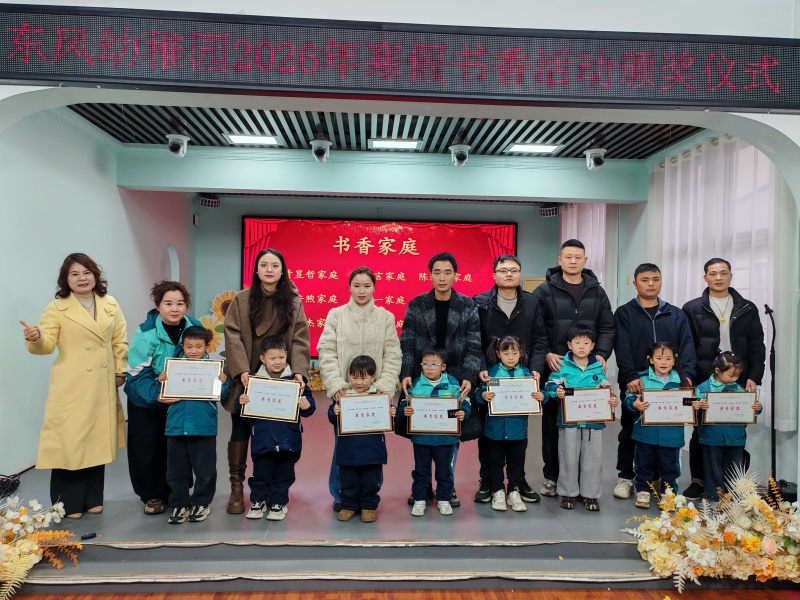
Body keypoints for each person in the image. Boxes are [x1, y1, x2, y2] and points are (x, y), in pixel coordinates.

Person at [22, 253, 128, 519]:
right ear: (66, 280)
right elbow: (46, 345)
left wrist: (120, 370)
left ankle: (93, 498)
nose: (82, 278)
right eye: (75, 274)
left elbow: (119, 340)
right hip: (71, 386)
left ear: (95, 275)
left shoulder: (110, 304)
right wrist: (36, 337)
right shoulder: (57, 308)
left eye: (86, 272)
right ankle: (67, 503)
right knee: (70, 443)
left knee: (96, 440)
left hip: (101, 385)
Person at [223, 248, 310, 514]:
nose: (269, 270)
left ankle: (274, 489)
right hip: (248, 375)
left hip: (281, 377)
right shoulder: (242, 299)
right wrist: (241, 370)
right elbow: (232, 335)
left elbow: (300, 339)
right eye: (264, 265)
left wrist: (299, 371)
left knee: (277, 432)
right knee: (240, 430)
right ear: (256, 269)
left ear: (283, 271)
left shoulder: (293, 302)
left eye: (275, 265)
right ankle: (237, 487)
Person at [532, 239, 615, 498]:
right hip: (557, 367)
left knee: (587, 427)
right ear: (559, 260)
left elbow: (607, 327)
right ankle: (552, 476)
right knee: (552, 427)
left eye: (578, 257)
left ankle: (584, 481)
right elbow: (537, 328)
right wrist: (546, 353)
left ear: (585, 260)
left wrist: (601, 353)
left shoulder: (597, 292)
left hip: (587, 370)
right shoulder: (544, 290)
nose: (573, 261)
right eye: (568, 257)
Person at [400, 252, 482, 507]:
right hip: (422, 380)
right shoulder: (417, 304)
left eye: (447, 272)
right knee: (421, 434)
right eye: (437, 272)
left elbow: (474, 345)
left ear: (455, 275)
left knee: (450, 435)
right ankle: (423, 484)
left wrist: (469, 377)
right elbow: (407, 343)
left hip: (453, 381)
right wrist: (406, 373)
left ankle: (448, 485)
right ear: (430, 275)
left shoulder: (467, 306)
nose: (442, 277)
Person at [317, 266, 401, 512]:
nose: (362, 291)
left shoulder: (385, 317)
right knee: (342, 446)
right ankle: (341, 495)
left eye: (367, 286)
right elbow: (327, 351)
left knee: (372, 448)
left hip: (375, 396)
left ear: (374, 288)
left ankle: (368, 497)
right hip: (346, 395)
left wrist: (384, 387)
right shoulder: (336, 315)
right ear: (349, 287)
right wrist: (336, 385)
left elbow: (393, 354)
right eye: (357, 286)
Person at [682, 258, 766, 500]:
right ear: (705, 277)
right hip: (705, 376)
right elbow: (687, 345)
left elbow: (757, 345)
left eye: (723, 273)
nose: (718, 277)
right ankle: (699, 480)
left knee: (735, 428)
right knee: (701, 431)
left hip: (737, 377)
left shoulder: (747, 307)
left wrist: (754, 376)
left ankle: (733, 483)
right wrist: (688, 375)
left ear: (730, 275)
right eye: (713, 273)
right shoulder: (692, 308)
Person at [613, 263, 697, 501]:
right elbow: (622, 347)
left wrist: (687, 376)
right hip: (638, 383)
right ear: (635, 283)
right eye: (645, 280)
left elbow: (687, 346)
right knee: (630, 430)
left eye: (655, 279)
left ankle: (660, 479)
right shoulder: (625, 313)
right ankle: (626, 477)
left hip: (671, 384)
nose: (651, 284)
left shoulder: (676, 314)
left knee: (666, 431)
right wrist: (630, 375)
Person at [473, 254, 547, 504]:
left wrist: (535, 368)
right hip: (490, 377)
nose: (508, 274)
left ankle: (518, 481)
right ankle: (488, 481)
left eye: (513, 270)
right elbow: (474, 340)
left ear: (519, 274)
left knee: (518, 434)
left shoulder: (532, 303)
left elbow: (540, 339)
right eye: (503, 270)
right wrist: (481, 368)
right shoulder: (480, 302)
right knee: (488, 433)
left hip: (521, 378)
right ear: (494, 275)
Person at [125, 280, 201, 516]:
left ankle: (177, 492)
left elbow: (201, 361)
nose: (174, 308)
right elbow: (137, 373)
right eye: (168, 303)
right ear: (158, 306)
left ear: (186, 305)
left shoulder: (194, 326)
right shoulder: (145, 333)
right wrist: (157, 395)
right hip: (146, 398)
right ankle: (152, 495)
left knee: (179, 447)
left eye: (180, 303)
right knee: (148, 448)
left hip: (179, 398)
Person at [155, 326, 229, 525]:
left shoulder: (214, 369)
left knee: (205, 470)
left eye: (198, 346)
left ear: (207, 346)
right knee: (176, 471)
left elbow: (222, 395)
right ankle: (179, 503)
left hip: (203, 427)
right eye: (189, 346)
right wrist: (161, 380)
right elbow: (162, 393)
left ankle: (202, 503)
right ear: (182, 346)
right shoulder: (173, 368)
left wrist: (223, 382)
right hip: (176, 427)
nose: (194, 350)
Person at [239, 336, 315, 522]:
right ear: (262, 359)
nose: (277, 362)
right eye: (272, 358)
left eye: (281, 357)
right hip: (262, 438)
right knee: (260, 472)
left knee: (284, 474)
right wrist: (241, 401)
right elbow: (243, 407)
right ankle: (258, 501)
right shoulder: (254, 381)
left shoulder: (296, 381)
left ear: (287, 355)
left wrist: (307, 406)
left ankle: (279, 503)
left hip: (288, 438)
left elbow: (309, 405)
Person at [544, 325, 617, 512]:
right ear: (569, 345)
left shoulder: (598, 368)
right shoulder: (562, 366)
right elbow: (550, 386)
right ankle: (568, 492)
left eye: (586, 343)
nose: (582, 347)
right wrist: (556, 392)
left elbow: (606, 389)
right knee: (568, 457)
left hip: (594, 423)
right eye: (577, 343)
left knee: (592, 459)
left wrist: (612, 399)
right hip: (568, 421)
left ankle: (591, 495)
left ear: (592, 346)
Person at [624, 342, 700, 509]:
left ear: (674, 361)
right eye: (659, 358)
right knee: (643, 464)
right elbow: (629, 398)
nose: (664, 362)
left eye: (668, 358)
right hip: (645, 434)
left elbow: (695, 399)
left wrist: (696, 404)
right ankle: (643, 491)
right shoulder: (642, 379)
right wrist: (634, 404)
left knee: (670, 466)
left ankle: (669, 494)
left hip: (672, 436)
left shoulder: (682, 382)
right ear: (651, 360)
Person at [475, 336, 544, 513]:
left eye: (514, 353)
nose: (511, 357)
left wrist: (541, 396)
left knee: (516, 463)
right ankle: (498, 491)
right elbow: (479, 393)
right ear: (498, 353)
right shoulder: (491, 373)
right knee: (495, 462)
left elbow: (537, 393)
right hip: (494, 430)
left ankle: (514, 491)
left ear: (521, 353)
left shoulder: (527, 374)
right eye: (506, 353)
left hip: (518, 430)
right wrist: (482, 396)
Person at [399, 348, 469, 517]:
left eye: (434, 364)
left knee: (445, 471)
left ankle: (444, 499)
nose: (429, 368)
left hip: (446, 439)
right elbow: (404, 405)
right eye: (425, 364)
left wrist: (463, 413)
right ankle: (420, 499)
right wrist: (405, 411)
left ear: (443, 367)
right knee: (421, 471)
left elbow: (465, 403)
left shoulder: (453, 384)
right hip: (421, 439)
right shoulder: (415, 384)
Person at [329, 355, 396, 523]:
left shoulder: (380, 396)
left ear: (373, 377)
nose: (358, 382)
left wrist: (392, 413)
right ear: (349, 376)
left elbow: (388, 418)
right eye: (354, 377)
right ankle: (348, 506)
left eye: (364, 378)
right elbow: (332, 417)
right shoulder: (343, 396)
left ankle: (369, 507)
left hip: (372, 449)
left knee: (370, 480)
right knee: (348, 480)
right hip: (347, 449)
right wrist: (334, 412)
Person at [695, 352, 762, 501]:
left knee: (735, 470)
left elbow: (749, 407)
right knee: (713, 469)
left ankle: (734, 499)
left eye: (737, 376)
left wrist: (757, 407)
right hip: (712, 437)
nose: (734, 379)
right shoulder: (703, 388)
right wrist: (698, 405)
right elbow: (690, 406)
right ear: (717, 371)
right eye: (731, 375)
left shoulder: (738, 388)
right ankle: (714, 498)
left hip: (735, 438)